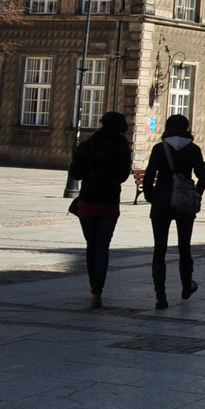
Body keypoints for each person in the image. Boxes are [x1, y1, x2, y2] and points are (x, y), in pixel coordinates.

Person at [142, 114, 205, 311]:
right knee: (184, 247)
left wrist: (150, 196)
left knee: (159, 249)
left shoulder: (159, 148)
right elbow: (203, 177)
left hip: (162, 201)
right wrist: (196, 194)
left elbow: (148, 176)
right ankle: (186, 287)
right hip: (184, 202)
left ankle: (160, 296)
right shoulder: (193, 149)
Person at [68, 111, 132, 309]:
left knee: (91, 245)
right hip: (110, 201)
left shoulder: (88, 145)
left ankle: (93, 285)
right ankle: (98, 290)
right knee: (102, 246)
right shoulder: (122, 147)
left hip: (88, 200)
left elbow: (76, 174)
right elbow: (123, 176)